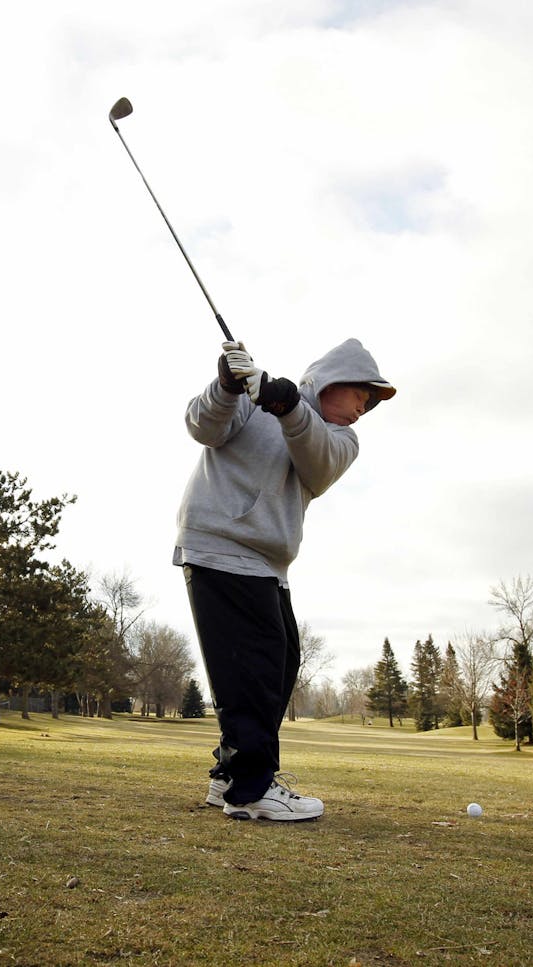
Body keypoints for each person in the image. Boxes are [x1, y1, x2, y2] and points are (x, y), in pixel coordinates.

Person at [175, 337, 394, 821]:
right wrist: (227, 386)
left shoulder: (340, 440)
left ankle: (230, 777)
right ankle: (252, 790)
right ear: (333, 382)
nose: (365, 408)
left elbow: (316, 459)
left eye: (372, 403)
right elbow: (202, 426)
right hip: (221, 546)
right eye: (362, 394)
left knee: (276, 670)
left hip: (269, 565)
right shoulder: (254, 404)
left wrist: (290, 405)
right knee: (251, 673)